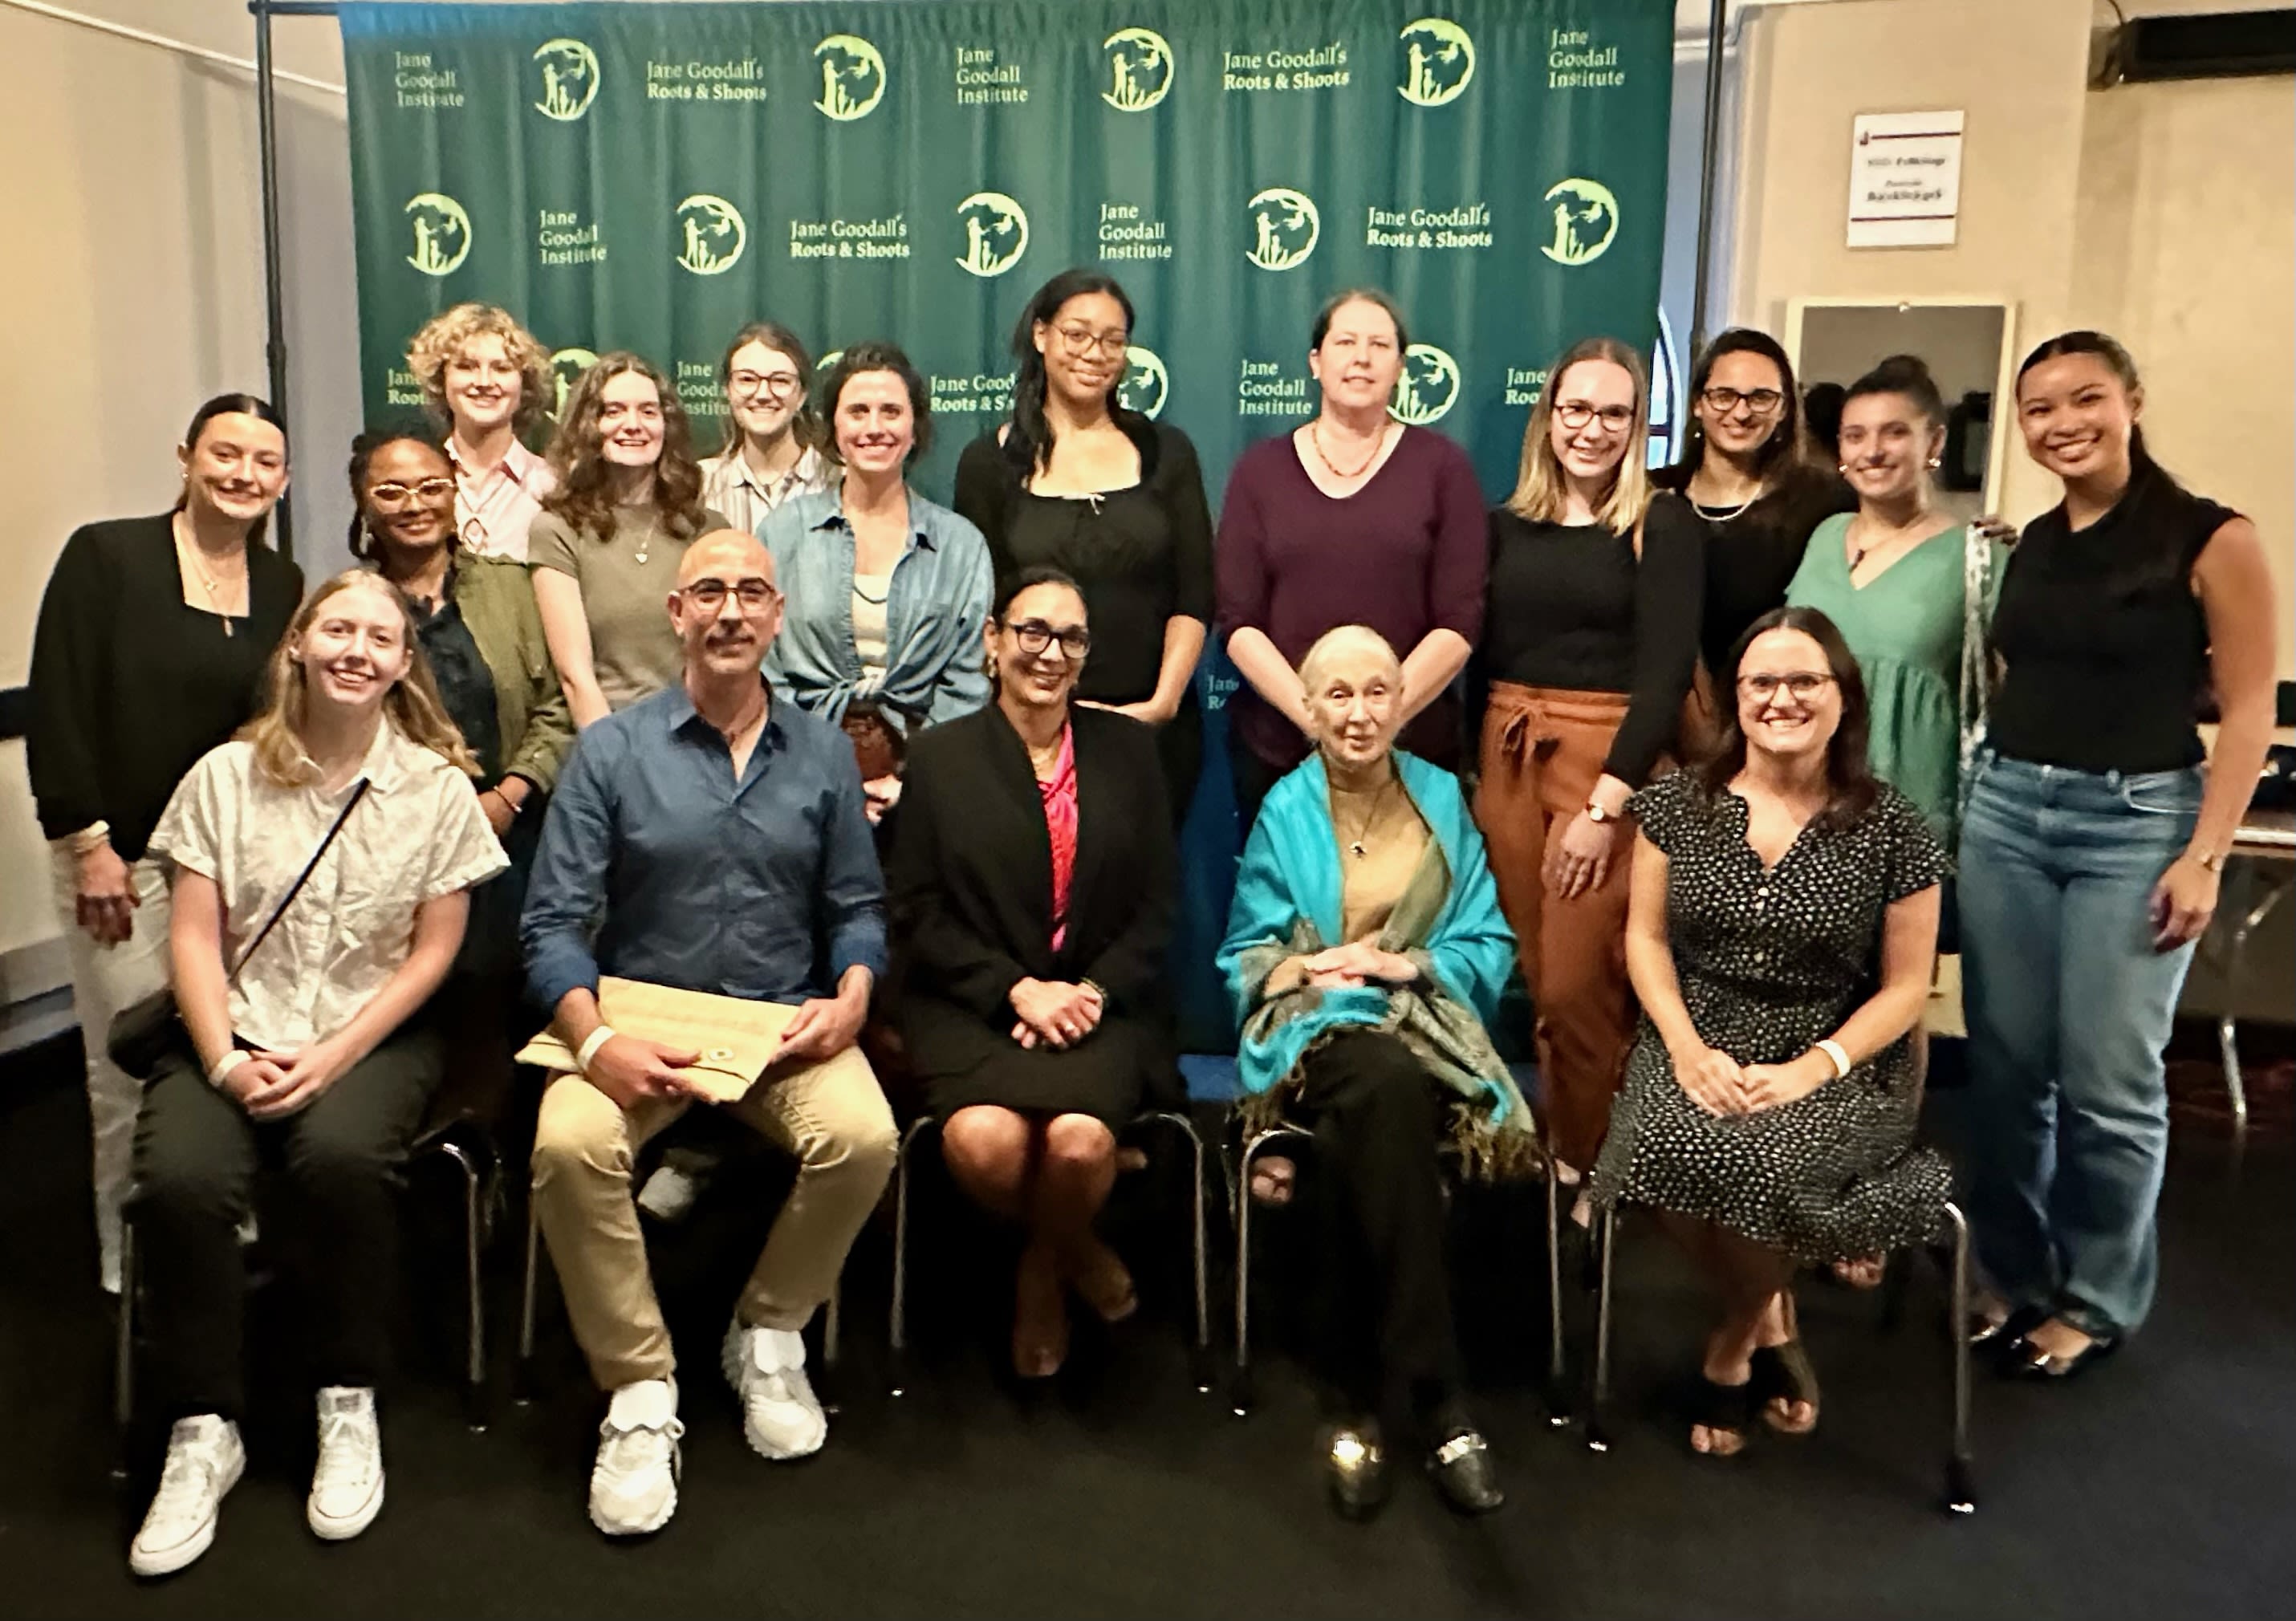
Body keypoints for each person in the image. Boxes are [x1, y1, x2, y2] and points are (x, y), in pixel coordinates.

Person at [124, 572, 507, 1576]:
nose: (357, 650)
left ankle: (347, 1394)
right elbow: (196, 940)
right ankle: (204, 1423)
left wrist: (332, 1055)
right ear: (297, 643)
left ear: (400, 664)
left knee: (340, 1159)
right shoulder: (219, 776)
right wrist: (222, 1059)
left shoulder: (432, 789)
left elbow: (431, 955)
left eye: (381, 638)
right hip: (230, 1029)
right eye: (337, 628)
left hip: (370, 1034)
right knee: (179, 1181)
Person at [522, 530, 898, 1538]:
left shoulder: (823, 751)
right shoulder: (612, 751)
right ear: (676, 613)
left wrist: (854, 994)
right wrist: (598, 1044)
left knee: (863, 1138)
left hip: (780, 1025)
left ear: (778, 616)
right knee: (566, 1143)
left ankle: (768, 1330)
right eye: (710, 594)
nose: (731, 612)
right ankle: (640, 1391)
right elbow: (552, 925)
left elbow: (856, 906)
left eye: (751, 594)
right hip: (636, 1020)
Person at [1961, 332, 2277, 1376]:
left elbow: (2244, 714)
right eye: (2038, 408)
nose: (2062, 423)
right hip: (2007, 809)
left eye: (2084, 398)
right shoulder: (2036, 542)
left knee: (2107, 1080)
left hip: (2135, 824)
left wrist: (2206, 854)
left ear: (2132, 401)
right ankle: (2012, 1275)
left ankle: (2095, 1298)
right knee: (2005, 1072)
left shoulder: (2211, 538)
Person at [1590, 607, 1951, 1456]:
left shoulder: (1893, 825)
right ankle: (1772, 1315)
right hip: (1697, 1030)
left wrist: (1809, 1068)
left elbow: (1906, 990)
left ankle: (1729, 1345)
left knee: (1760, 1159)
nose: (1780, 698)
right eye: (1760, 682)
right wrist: (1681, 1048)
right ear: (1733, 699)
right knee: (1653, 1148)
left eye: (1803, 681)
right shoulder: (1676, 804)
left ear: (1840, 698)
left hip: (1840, 1052)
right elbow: (1642, 938)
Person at [1217, 625, 1530, 1521]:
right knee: (1378, 1084)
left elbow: (1487, 940)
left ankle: (1355, 1397)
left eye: (1376, 692)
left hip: (1424, 1027)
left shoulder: (1442, 798)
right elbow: (1248, 950)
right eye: (1338, 695)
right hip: (1319, 1030)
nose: (1358, 713)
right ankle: (1438, 1400)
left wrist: (1409, 968)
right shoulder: (1285, 806)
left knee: (1379, 1113)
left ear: (1404, 701)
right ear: (1308, 710)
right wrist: (1316, 971)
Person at [27, 394, 303, 1295]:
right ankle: (128, 1246)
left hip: (226, 864)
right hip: (123, 859)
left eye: (263, 462)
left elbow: (267, 722)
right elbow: (58, 706)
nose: (243, 475)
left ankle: (211, 1213)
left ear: (284, 479)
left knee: (216, 1048)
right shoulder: (107, 557)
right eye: (225, 454)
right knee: (129, 1059)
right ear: (186, 457)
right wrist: (86, 845)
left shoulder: (284, 584)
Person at [889, 569, 1178, 1378]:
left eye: (1070, 638)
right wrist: (1014, 989)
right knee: (985, 1143)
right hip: (973, 1004)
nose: (1049, 654)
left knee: (1079, 1146)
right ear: (992, 641)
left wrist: (1087, 994)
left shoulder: (1128, 750)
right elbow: (914, 908)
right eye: (1031, 632)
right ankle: (1077, 1246)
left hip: (1101, 1005)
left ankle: (1039, 1273)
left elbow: (1158, 903)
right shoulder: (941, 758)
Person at [1473, 337, 1704, 1183]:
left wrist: (1606, 807)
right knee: (1536, 983)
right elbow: (1481, 657)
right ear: (1548, 416)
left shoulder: (1660, 522)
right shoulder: (1503, 525)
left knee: (1580, 986)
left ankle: (1594, 1168)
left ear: (1637, 426)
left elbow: (1665, 673)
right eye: (1576, 408)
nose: (1591, 429)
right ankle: (1560, 1152)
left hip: (1605, 766)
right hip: (1505, 759)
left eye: (1614, 413)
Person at [350, 426, 574, 1108]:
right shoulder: (351, 604)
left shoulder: (512, 587)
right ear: (363, 505)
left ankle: (530, 1175)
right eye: (390, 491)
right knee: (436, 1022)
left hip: (518, 833)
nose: (413, 504)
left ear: (454, 493)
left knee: (530, 1002)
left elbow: (559, 703)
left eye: (429, 487)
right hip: (401, 845)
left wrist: (508, 796)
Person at [1216, 289, 1485, 827]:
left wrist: (1377, 721)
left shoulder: (1443, 469)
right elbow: (1238, 621)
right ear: (1316, 362)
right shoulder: (1259, 472)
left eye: (1379, 344)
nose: (1361, 357)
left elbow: (1459, 620)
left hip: (1411, 759)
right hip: (1282, 755)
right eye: (1345, 342)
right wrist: (1321, 722)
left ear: (1400, 367)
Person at [954, 270, 1215, 825]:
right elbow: (983, 610)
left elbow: (1194, 593)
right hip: (1030, 739)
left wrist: (1161, 705)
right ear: (1042, 336)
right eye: (1077, 335)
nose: (1094, 353)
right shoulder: (988, 464)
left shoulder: (1166, 451)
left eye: (1113, 340)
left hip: (1152, 736)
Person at [761, 341, 993, 821]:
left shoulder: (960, 546)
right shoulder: (782, 533)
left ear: (915, 428)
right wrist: (812, 771)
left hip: (928, 787)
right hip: (797, 782)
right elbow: (764, 665)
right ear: (834, 426)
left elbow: (967, 681)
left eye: (891, 411)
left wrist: (913, 779)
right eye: (858, 411)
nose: (874, 428)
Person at [1786, 355, 2004, 847]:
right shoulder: (1824, 535)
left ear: (1936, 442)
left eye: (1895, 433)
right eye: (1855, 435)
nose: (1873, 451)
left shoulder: (1979, 554)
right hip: (1807, 801)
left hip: (1909, 811)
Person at [1655, 329, 1855, 737]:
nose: (1741, 413)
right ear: (1698, 403)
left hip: (1775, 722)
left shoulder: (1824, 501)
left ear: (1785, 408)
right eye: (1724, 395)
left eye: (1761, 397)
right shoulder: (1652, 495)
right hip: (1660, 726)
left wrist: (1980, 543)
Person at [529, 351, 728, 729]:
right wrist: (614, 763)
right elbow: (575, 677)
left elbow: (723, 662)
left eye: (649, 412)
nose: (633, 425)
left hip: (700, 736)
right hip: (607, 737)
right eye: (614, 411)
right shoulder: (557, 529)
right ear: (588, 424)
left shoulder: (709, 530)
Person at [406, 303, 558, 563]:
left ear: (525, 385)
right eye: (466, 366)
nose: (484, 382)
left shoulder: (553, 487)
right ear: (441, 380)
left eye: (502, 368)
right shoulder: (416, 486)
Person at [697, 319, 835, 534]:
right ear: (728, 390)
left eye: (780, 381)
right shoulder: (700, 486)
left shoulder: (837, 482)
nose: (762, 394)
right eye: (747, 379)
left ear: (801, 395)